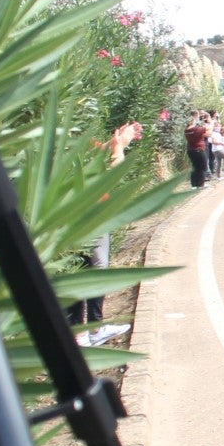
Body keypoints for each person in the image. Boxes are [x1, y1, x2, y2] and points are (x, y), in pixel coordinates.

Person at [71, 121, 140, 346]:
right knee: (94, 271)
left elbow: (103, 152)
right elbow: (113, 168)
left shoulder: (72, 147)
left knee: (80, 272)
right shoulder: (74, 148)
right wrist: (119, 147)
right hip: (91, 218)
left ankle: (86, 332)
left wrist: (118, 142)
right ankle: (89, 332)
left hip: (79, 219)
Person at [184, 112, 210, 189]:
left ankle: (194, 184)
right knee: (203, 167)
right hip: (199, 149)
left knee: (195, 167)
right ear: (192, 121)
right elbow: (208, 129)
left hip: (190, 150)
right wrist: (209, 121)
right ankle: (201, 184)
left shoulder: (186, 131)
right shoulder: (196, 129)